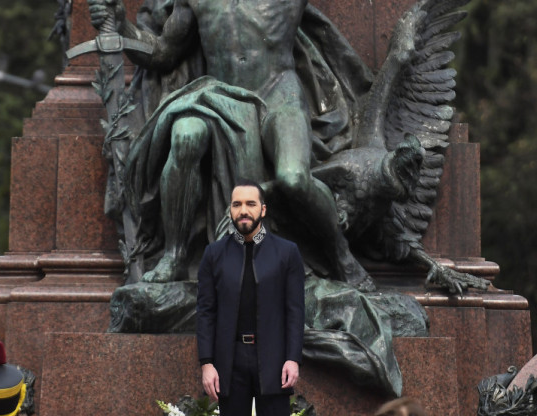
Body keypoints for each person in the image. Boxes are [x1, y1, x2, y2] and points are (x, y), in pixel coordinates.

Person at [87, 0, 375, 290]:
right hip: (220, 96)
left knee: (294, 178)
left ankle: (342, 254)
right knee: (185, 135)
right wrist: (122, 24)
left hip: (278, 94)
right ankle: (174, 255)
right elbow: (163, 53)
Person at [196, 180, 305, 416]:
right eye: (237, 204)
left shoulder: (286, 253)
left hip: (274, 359)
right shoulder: (214, 254)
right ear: (230, 210)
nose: (243, 210)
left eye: (250, 204)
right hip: (230, 361)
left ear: (262, 210)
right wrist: (206, 363)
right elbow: (206, 312)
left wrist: (292, 358)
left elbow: (295, 311)